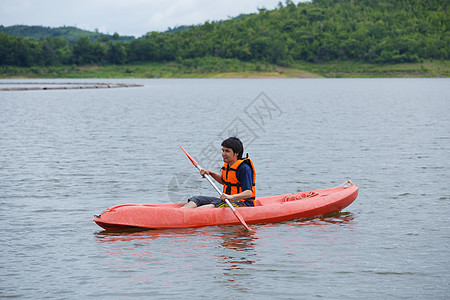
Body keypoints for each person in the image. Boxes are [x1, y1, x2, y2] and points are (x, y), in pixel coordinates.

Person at [182, 137, 256, 208]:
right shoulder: (228, 165)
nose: (223, 154)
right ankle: (181, 212)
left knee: (215, 204)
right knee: (196, 199)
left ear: (236, 153)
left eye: (227, 151)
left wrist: (230, 196)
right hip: (228, 200)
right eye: (223, 150)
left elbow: (248, 193)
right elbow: (224, 181)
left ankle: (192, 215)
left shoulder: (244, 168)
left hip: (243, 204)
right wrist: (210, 173)